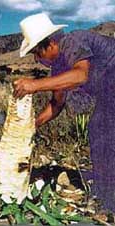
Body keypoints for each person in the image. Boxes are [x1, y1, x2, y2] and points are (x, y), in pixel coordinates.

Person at [13, 13, 115, 213]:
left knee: (101, 130)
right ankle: (106, 193)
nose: (36, 59)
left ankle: (109, 200)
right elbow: (57, 104)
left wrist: (34, 85)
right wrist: (31, 124)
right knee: (100, 130)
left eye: (37, 53)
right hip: (109, 93)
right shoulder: (59, 68)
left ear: (50, 44)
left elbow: (80, 75)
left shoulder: (73, 41)